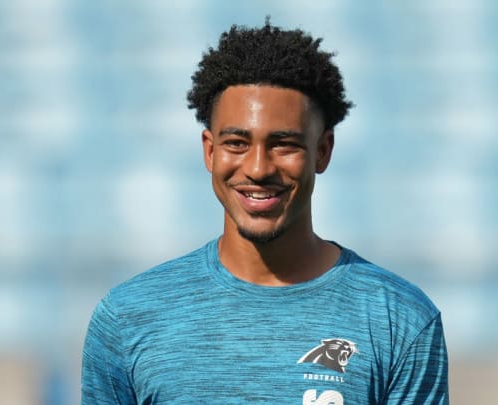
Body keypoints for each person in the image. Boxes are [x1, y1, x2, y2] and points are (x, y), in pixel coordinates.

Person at [82, 20, 449, 404]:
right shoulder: (128, 317)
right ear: (210, 151)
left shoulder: (400, 319)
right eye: (237, 143)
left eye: (283, 144)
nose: (258, 168)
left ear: (322, 151)